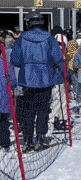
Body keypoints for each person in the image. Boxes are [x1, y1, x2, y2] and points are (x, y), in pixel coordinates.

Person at [10, 13, 64, 151]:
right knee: (43, 110)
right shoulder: (49, 38)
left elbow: (15, 60)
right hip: (45, 79)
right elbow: (57, 57)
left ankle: (27, 140)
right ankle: (40, 137)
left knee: (27, 110)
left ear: (29, 23)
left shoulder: (22, 39)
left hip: (26, 80)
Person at [0, 36, 17, 150]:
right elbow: (13, 82)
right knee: (3, 121)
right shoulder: (6, 65)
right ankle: (5, 142)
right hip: (3, 97)